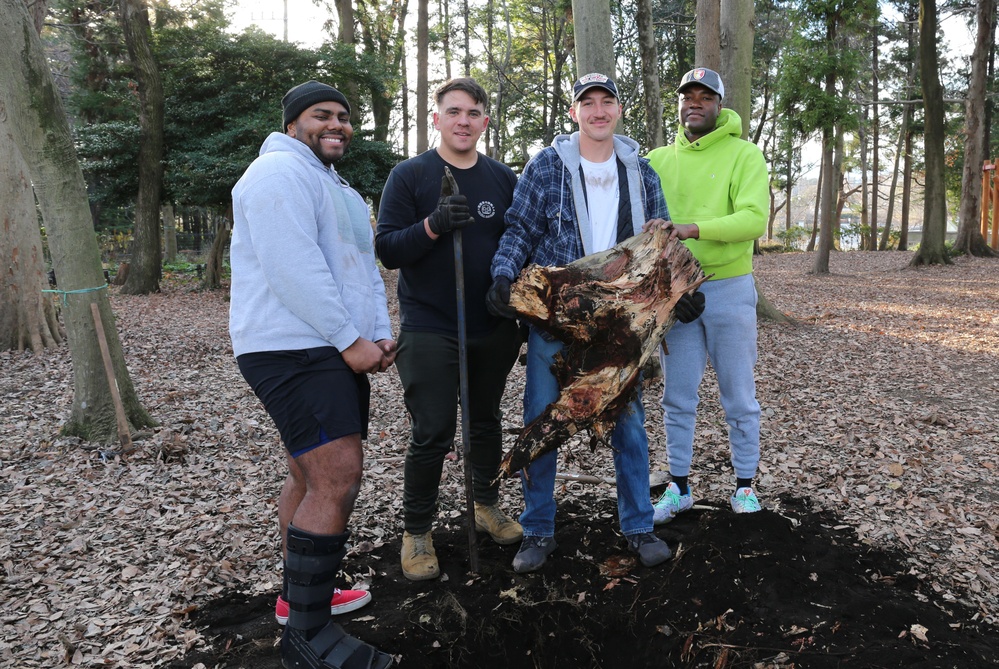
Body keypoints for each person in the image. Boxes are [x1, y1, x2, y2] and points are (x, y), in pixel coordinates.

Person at [486, 73, 684, 573]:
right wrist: (503, 274)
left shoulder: (640, 172)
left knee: (630, 425)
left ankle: (638, 527)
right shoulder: (547, 166)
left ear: (619, 110)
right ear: (574, 112)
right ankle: (537, 529)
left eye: (607, 102)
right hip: (558, 319)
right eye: (588, 103)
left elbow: (659, 239)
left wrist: (678, 294)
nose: (598, 111)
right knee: (543, 418)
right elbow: (520, 227)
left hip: (620, 322)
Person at [230, 80, 394, 669]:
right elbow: (292, 268)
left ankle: (298, 600)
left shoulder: (337, 187)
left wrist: (376, 332)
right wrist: (348, 340)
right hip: (290, 345)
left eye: (344, 117)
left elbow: (360, 266)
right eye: (321, 115)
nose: (337, 125)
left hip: (326, 343)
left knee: (307, 472)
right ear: (294, 122)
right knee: (337, 474)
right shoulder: (276, 173)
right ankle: (309, 637)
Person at [375, 77, 523, 581]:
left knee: (484, 420)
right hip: (431, 324)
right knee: (433, 429)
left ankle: (485, 503)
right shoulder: (410, 175)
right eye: (454, 111)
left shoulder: (503, 179)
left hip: (491, 324)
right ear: (437, 119)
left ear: (485, 121)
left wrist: (515, 300)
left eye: (474, 112)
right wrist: (434, 225)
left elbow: (522, 243)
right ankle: (417, 530)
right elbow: (389, 248)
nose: (464, 120)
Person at [644, 67, 769, 524]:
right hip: (677, 293)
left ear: (719, 104)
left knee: (738, 395)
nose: (694, 102)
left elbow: (754, 219)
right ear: (679, 103)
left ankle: (745, 486)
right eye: (687, 95)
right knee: (677, 396)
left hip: (730, 289)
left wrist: (693, 228)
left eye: (705, 95)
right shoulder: (657, 159)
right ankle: (678, 486)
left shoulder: (744, 155)